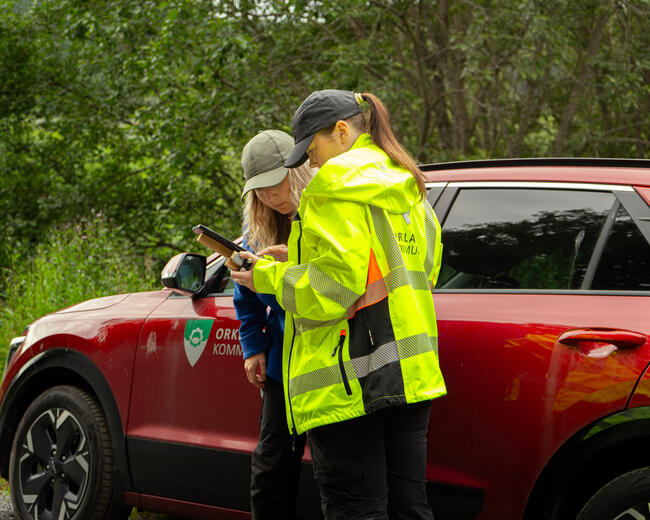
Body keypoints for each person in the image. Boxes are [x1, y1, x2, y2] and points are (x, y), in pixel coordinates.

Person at [231, 90, 446, 520]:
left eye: (312, 151)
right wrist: (297, 261)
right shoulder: (407, 184)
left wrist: (266, 278)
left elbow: (331, 292)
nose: (312, 165)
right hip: (412, 373)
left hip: (352, 378)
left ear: (342, 132)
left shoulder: (333, 187)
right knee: (410, 509)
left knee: (356, 509)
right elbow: (423, 267)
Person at [233, 129, 312, 519]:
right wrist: (254, 346)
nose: (266, 196)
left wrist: (289, 268)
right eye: (257, 190)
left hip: (328, 367)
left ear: (297, 171)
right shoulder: (257, 231)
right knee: (269, 472)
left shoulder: (326, 216)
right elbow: (244, 297)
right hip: (283, 369)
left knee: (336, 476)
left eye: (272, 185)